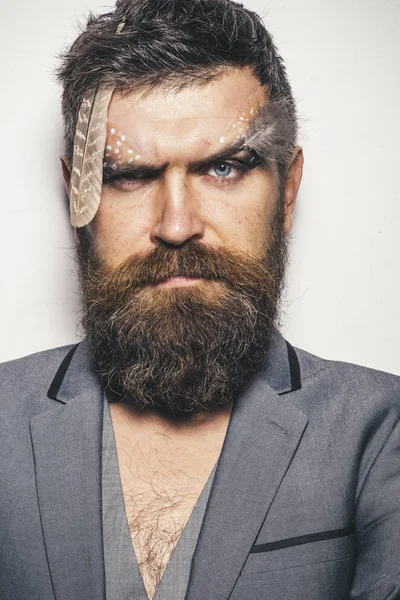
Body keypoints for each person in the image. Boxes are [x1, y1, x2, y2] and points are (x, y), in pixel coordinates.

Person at [0, 0, 399, 598]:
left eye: (224, 168)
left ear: (287, 192)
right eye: (128, 175)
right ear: (77, 195)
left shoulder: (380, 429)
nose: (177, 224)